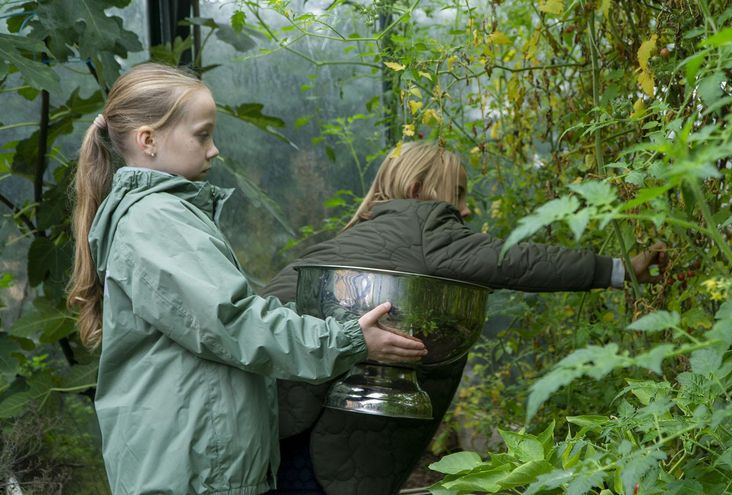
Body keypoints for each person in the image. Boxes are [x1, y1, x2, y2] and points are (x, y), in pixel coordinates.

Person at [66, 63, 427, 495]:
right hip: (193, 473)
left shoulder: (164, 216)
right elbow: (233, 321)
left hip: (196, 466)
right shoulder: (153, 221)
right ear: (148, 140)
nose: (214, 149)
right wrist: (347, 339)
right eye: (202, 134)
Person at [260, 141, 667, 494]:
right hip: (335, 452)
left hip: (281, 426)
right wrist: (619, 270)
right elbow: (521, 263)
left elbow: (269, 306)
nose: (467, 208)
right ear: (419, 190)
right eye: (458, 193)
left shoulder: (352, 236)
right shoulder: (429, 230)